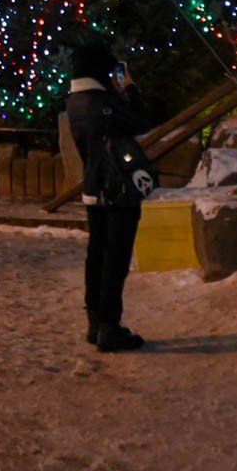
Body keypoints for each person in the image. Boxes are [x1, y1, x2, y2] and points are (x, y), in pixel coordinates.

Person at [67, 40, 153, 354]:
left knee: (97, 255)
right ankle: (109, 326)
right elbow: (141, 121)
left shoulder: (75, 101)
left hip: (94, 188)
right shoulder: (101, 102)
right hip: (116, 191)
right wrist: (129, 89)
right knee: (115, 258)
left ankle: (95, 322)